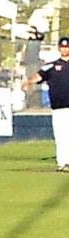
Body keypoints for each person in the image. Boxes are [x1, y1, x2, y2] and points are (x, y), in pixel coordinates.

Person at [23, 36, 69, 172]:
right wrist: (28, 82)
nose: (64, 49)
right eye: (62, 47)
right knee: (60, 136)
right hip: (58, 107)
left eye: (67, 47)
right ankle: (63, 163)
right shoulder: (52, 65)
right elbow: (39, 75)